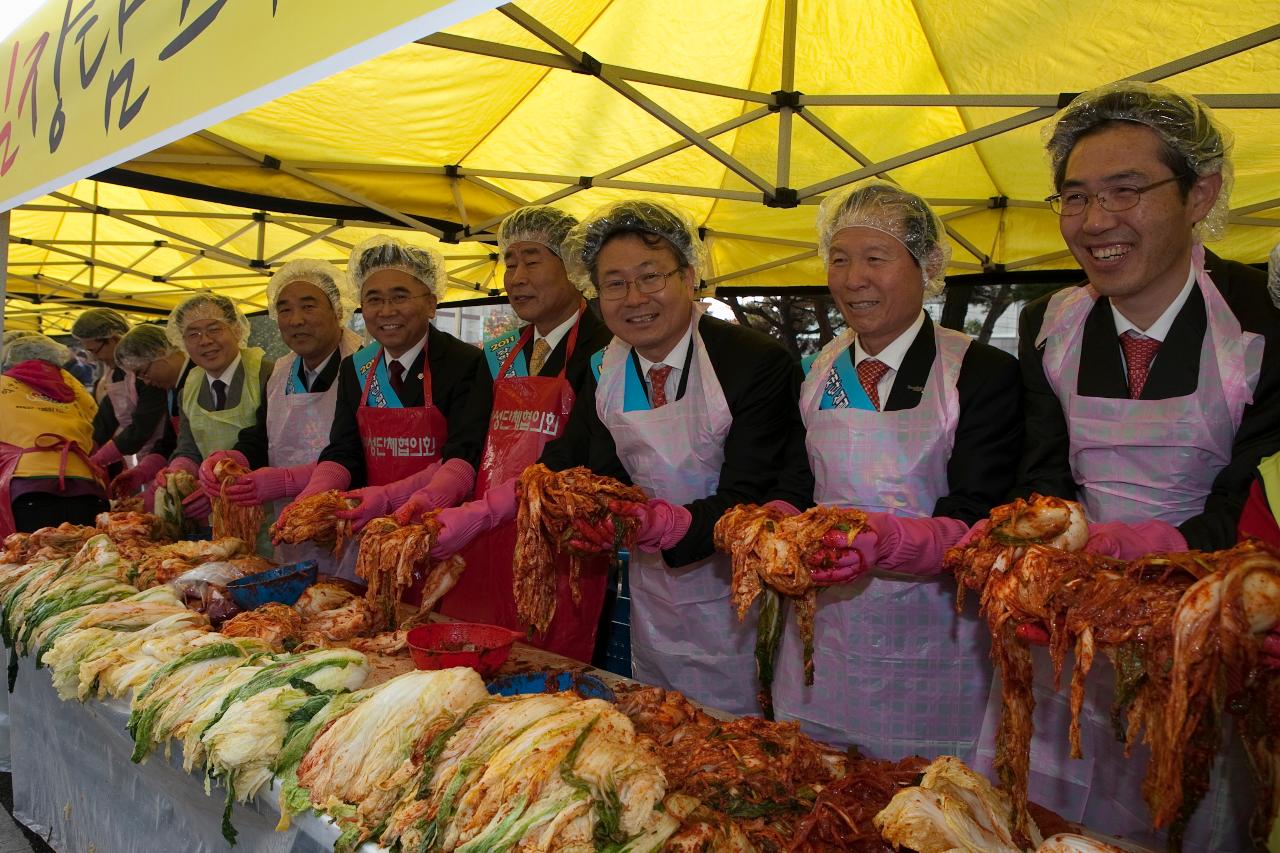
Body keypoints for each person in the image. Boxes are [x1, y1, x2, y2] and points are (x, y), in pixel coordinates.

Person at [991, 81, 1280, 850]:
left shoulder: (1259, 319)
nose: (1095, 222)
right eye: (1075, 197)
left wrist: (1144, 556)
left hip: (1212, 628)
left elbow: (1251, 495)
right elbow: (1043, 472)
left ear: (1201, 194)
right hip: (1073, 637)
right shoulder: (1050, 323)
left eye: (1126, 192)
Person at [428, 199, 804, 715]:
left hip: (742, 596)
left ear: (689, 276)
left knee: (740, 736)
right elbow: (573, 466)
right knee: (664, 718)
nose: (634, 298)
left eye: (650, 277)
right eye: (614, 283)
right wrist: (483, 513)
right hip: (655, 594)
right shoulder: (605, 365)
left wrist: (652, 524)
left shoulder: (753, 362)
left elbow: (754, 496)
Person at [763, 180, 1022, 758]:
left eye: (875, 258)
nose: (854, 279)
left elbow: (983, 511)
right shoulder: (816, 372)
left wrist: (891, 540)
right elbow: (797, 479)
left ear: (926, 265)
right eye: (839, 259)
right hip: (823, 644)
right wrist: (774, 519)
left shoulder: (977, 371)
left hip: (935, 643)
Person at [402, 205, 613, 660]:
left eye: (532, 260)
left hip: (562, 551)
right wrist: (438, 495)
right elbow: (466, 445)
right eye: (509, 261)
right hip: (485, 545)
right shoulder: (496, 353)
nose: (515, 276)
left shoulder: (605, 351)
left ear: (575, 268)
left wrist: (483, 512)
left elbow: (582, 459)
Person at [276, 236, 483, 597]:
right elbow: (344, 451)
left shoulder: (465, 362)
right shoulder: (356, 368)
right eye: (373, 299)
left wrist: (390, 498)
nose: (385, 311)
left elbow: (464, 455)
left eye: (400, 296)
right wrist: (311, 497)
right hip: (374, 538)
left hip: (442, 534)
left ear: (432, 302)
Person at [196, 260, 363, 573]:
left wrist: (287, 481)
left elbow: (363, 453)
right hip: (290, 529)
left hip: (352, 529)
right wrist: (232, 457)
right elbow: (263, 435)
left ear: (338, 310)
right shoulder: (281, 371)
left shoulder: (365, 365)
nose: (296, 319)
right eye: (284, 310)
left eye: (308, 306)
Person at [153, 295, 274, 528]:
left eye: (214, 329)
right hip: (220, 521)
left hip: (269, 515)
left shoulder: (267, 375)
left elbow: (275, 447)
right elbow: (189, 448)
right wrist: (177, 473)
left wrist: (224, 488)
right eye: (193, 334)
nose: (205, 341)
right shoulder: (188, 388)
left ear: (236, 329)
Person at [0, 332, 107, 535]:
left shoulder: (2, 385)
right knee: (86, 562)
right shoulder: (76, 388)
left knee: (30, 563)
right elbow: (98, 436)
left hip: (28, 492)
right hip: (87, 491)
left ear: (10, 360)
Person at [71, 308, 168, 475]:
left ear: (115, 339)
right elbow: (106, 418)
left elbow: (142, 428)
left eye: (95, 351)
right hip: (147, 456)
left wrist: (101, 457)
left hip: (167, 453)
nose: (94, 358)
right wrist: (87, 446)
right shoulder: (113, 374)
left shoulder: (147, 374)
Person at [109, 324, 192, 503]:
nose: (146, 381)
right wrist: (142, 471)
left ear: (161, 352)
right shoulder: (172, 390)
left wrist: (156, 492)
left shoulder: (196, 380)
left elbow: (193, 448)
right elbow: (170, 442)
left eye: (144, 373)